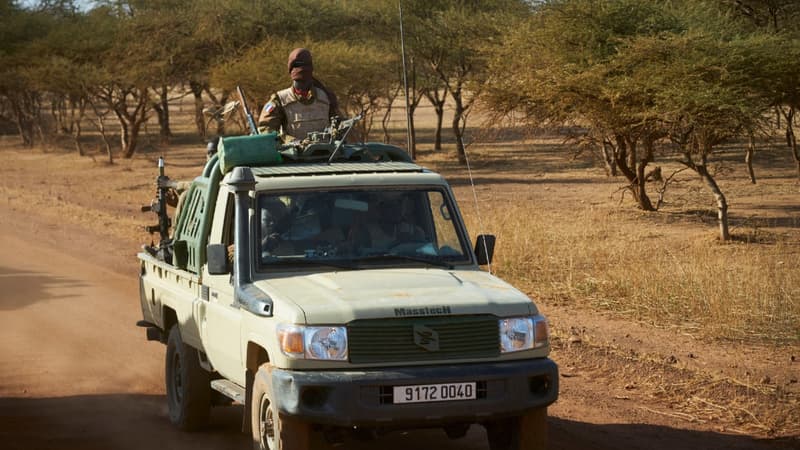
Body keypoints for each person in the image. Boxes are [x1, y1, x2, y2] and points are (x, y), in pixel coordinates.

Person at [258, 48, 340, 142]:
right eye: (297, 65)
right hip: (292, 155)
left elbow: (339, 125)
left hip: (328, 154)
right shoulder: (279, 100)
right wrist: (292, 142)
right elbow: (266, 131)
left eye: (305, 65)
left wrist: (334, 135)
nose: (302, 70)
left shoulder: (326, 97)